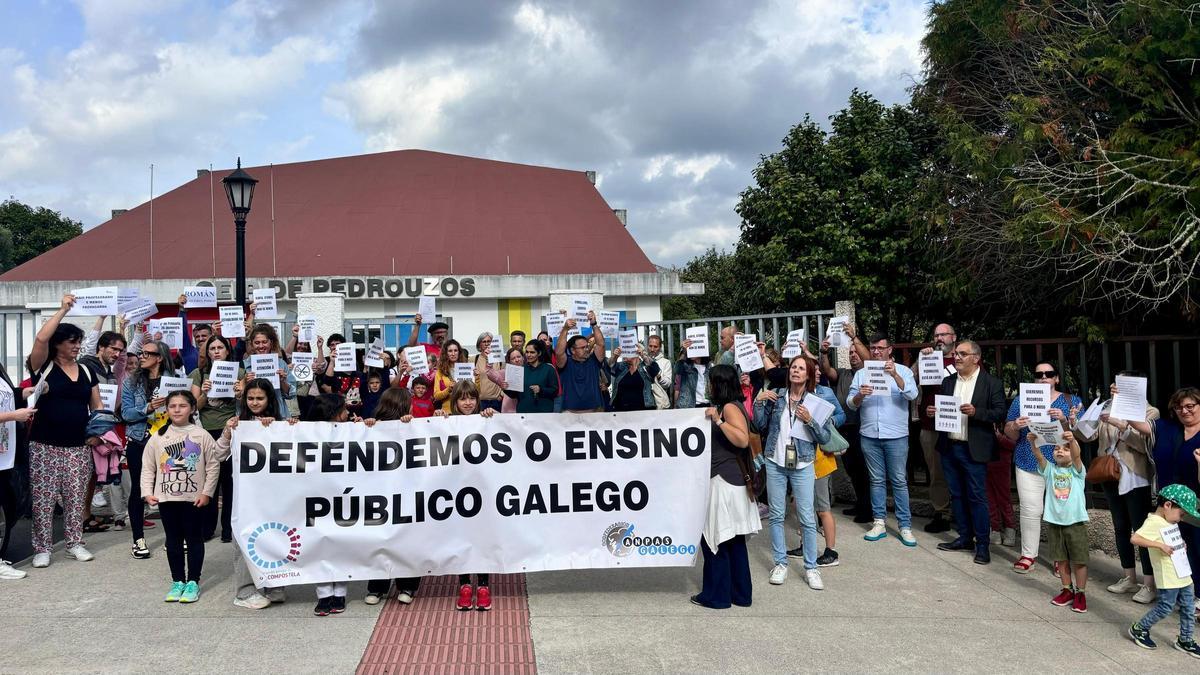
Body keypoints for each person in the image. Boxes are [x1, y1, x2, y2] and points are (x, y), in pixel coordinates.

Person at [753, 354, 844, 590]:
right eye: (793, 367)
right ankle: (780, 563)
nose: (796, 371)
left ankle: (811, 567)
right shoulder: (778, 397)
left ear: (808, 375)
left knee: (806, 517)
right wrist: (758, 402)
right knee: (776, 514)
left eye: (801, 368)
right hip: (775, 461)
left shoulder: (815, 401)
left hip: (803, 463)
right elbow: (759, 426)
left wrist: (811, 420)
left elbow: (824, 438)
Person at [27, 294, 102, 568]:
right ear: (58, 343)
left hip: (78, 445)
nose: (77, 346)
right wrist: (62, 310)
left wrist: (98, 433)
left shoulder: (85, 370)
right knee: (43, 499)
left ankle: (74, 543)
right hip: (44, 444)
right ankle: (42, 548)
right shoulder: (43, 366)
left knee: (75, 495)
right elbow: (39, 340)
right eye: (72, 342)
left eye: (79, 342)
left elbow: (98, 406)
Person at [1075, 373, 1158, 604]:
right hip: (1110, 473)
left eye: (1121, 385)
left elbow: (1145, 445)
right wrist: (1076, 422)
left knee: (1141, 530)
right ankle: (1128, 576)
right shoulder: (1107, 407)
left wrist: (1122, 425)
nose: (1115, 388)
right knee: (1120, 526)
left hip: (1135, 476)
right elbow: (1087, 435)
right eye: (1114, 384)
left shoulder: (1150, 412)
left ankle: (1149, 583)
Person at [140, 390, 222, 603]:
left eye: (182, 405)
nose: (177, 409)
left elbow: (213, 466)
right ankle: (178, 581)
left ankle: (193, 581)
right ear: (166, 409)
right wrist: (147, 492)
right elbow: (148, 467)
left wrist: (207, 493)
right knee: (173, 540)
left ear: (192, 408)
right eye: (172, 406)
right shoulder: (158, 436)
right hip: (167, 499)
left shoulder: (201, 435)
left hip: (194, 499)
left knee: (194, 539)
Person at [930, 340, 1007, 565]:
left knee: (977, 497)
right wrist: (933, 411)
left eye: (963, 354)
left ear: (976, 358)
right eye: (956, 354)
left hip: (974, 449)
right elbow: (943, 410)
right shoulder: (948, 381)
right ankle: (964, 538)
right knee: (956, 495)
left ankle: (982, 545)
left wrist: (977, 412)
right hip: (950, 447)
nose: (957, 357)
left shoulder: (991, 383)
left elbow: (1000, 412)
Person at [1002, 361, 1083, 574]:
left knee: (1060, 511)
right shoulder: (1021, 400)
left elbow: (1081, 434)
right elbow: (1008, 432)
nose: (1044, 377)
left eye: (1049, 374)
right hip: (1029, 460)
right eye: (1039, 374)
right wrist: (1015, 425)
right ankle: (1028, 554)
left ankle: (1061, 557)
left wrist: (1065, 419)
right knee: (1030, 510)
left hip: (1061, 465)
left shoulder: (1071, 401)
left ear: (1057, 378)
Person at [691, 364, 759, 609]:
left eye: (711, 381)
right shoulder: (733, 406)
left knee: (715, 540)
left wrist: (718, 421)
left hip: (723, 481)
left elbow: (741, 439)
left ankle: (716, 595)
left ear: (718, 383)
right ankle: (740, 594)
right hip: (731, 481)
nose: (708, 386)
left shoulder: (728, 408)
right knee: (733, 541)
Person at [846, 334, 920, 546]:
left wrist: (895, 375)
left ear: (890, 350)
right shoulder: (862, 373)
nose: (876, 351)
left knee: (898, 480)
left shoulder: (904, 371)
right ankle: (879, 521)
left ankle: (905, 526)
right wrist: (860, 395)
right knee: (876, 480)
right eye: (873, 348)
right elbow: (851, 403)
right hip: (870, 434)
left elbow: (912, 395)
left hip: (896, 435)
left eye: (880, 348)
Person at [220, 378, 286, 609]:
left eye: (260, 398)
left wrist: (285, 427)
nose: (255, 402)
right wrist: (228, 433)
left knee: (274, 538)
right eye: (250, 398)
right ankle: (245, 591)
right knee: (244, 540)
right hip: (246, 497)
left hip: (274, 495)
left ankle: (274, 584)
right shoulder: (237, 424)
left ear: (269, 400)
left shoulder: (279, 424)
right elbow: (219, 454)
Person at [435, 381, 497, 610]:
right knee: (461, 537)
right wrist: (436, 419)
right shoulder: (446, 421)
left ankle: (483, 585)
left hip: (483, 490)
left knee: (482, 537)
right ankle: (464, 585)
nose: (468, 403)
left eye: (471, 398)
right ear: (455, 401)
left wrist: (494, 416)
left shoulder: (486, 419)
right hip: (456, 491)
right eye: (462, 399)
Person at [362, 388, 424, 606]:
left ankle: (407, 584)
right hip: (381, 493)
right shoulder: (373, 427)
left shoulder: (413, 426)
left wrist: (411, 424)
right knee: (380, 538)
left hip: (407, 492)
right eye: (409, 404)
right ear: (401, 405)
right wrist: (367, 427)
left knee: (406, 537)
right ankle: (377, 586)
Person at [1128, 484, 1200, 657]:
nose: (1181, 519)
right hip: (1169, 576)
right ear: (1167, 505)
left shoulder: (1168, 520)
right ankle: (1140, 628)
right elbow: (1135, 538)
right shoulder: (1153, 522)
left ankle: (1186, 639)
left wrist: (1180, 543)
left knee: (1189, 608)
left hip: (1182, 573)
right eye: (1181, 514)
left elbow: (1169, 537)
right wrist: (1159, 545)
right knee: (1165, 607)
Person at [121, 339, 176, 560]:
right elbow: (126, 414)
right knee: (139, 489)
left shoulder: (173, 381)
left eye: (147, 353)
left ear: (160, 358)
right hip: (139, 440)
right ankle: (138, 539)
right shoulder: (130, 383)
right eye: (141, 353)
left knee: (168, 489)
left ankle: (172, 537)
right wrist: (148, 407)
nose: (142, 357)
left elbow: (183, 410)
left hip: (167, 441)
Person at [190, 335, 245, 543]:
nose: (216, 351)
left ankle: (228, 528)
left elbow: (246, 401)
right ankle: (208, 526)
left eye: (220, 347)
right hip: (205, 431)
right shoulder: (198, 373)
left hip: (230, 430)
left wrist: (239, 392)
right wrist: (204, 393)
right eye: (212, 348)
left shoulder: (239, 372)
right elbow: (194, 406)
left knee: (229, 481)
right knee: (208, 480)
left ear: (227, 351)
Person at [307, 393, 358, 616]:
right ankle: (323, 594)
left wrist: (365, 426)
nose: (348, 413)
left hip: (343, 496)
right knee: (319, 545)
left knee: (341, 545)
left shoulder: (352, 429)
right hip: (318, 496)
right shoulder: (307, 432)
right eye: (344, 410)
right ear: (335, 413)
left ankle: (340, 593)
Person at [1150, 386, 1200, 609]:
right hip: (1173, 506)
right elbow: (1136, 425)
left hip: (1197, 505)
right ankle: (1186, 596)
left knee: (1198, 549)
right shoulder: (1170, 430)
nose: (1185, 411)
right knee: (1179, 549)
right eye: (1180, 407)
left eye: (1190, 406)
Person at [1030, 430, 1089, 613]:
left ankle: (1081, 593)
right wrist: (1034, 443)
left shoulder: (1077, 471)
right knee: (1061, 559)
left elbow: (1077, 456)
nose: (1060, 451)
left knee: (1079, 560)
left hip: (1075, 522)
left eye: (1065, 449)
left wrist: (1072, 442)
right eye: (1056, 448)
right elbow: (1039, 457)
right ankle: (1066, 589)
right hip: (1054, 522)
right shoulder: (1050, 470)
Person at [818, 327, 872, 524]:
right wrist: (824, 352)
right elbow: (826, 369)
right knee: (852, 469)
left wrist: (853, 337)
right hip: (844, 428)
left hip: (862, 428)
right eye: (850, 353)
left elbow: (868, 359)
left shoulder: (869, 372)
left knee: (864, 470)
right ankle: (860, 503)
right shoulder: (843, 374)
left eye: (856, 352)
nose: (853, 356)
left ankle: (868, 508)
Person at [918, 323, 958, 533]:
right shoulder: (929, 359)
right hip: (931, 426)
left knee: (962, 469)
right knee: (936, 471)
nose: (939, 338)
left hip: (959, 425)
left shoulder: (964, 357)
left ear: (954, 337)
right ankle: (941, 512)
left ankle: (962, 513)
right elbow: (910, 381)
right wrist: (920, 359)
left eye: (944, 334)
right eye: (936, 335)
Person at [0, 362, 35, 580]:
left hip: (5, 454)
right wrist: (14, 416)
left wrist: (24, 392)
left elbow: (7, 395)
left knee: (7, 504)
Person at [554, 311, 606, 413]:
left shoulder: (594, 361)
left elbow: (601, 345)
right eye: (582, 347)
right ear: (573, 350)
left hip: (594, 412)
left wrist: (594, 324)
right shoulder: (566, 363)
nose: (586, 349)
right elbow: (559, 352)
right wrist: (565, 329)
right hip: (570, 413)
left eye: (587, 346)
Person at [242, 324, 296, 416]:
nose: (261, 346)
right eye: (257, 343)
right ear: (251, 344)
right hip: (253, 416)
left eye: (264, 342)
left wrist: (282, 381)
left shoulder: (281, 364)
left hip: (278, 414)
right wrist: (245, 382)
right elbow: (238, 395)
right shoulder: (243, 365)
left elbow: (291, 395)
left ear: (271, 343)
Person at [608, 344, 661, 412]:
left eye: (628, 351)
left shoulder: (645, 367)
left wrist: (643, 355)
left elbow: (655, 369)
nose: (625, 353)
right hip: (621, 411)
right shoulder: (621, 367)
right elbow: (608, 367)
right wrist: (615, 356)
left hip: (643, 411)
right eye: (624, 351)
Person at [513, 340, 557, 414]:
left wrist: (541, 390)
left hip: (543, 412)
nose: (528, 355)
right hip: (523, 412)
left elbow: (554, 391)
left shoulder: (548, 369)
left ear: (539, 353)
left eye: (532, 352)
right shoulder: (521, 369)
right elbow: (514, 394)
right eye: (527, 352)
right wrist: (506, 387)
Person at [675, 340, 712, 409]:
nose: (691, 350)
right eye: (690, 348)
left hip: (708, 405)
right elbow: (677, 369)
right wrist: (683, 351)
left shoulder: (710, 367)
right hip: (689, 406)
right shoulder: (686, 367)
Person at [431, 339, 465, 413]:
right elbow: (436, 396)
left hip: (465, 411)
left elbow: (476, 392)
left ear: (459, 352)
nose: (453, 353)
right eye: (450, 351)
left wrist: (477, 378)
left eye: (455, 350)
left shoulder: (466, 369)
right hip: (447, 412)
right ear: (445, 353)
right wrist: (448, 390)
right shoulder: (440, 372)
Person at [474, 333, 504, 412]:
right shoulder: (475, 359)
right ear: (479, 344)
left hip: (497, 400)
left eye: (489, 341)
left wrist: (501, 395)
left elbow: (505, 378)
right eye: (484, 342)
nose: (487, 344)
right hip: (481, 401)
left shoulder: (499, 359)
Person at [646, 335, 674, 410]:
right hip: (645, 404)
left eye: (655, 347)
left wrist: (658, 375)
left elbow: (667, 384)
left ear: (660, 347)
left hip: (660, 405)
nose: (652, 349)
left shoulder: (666, 362)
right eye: (650, 346)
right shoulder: (642, 361)